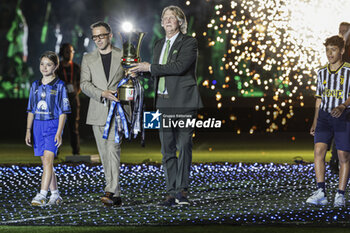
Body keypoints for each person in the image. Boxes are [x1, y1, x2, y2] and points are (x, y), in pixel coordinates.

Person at [130, 5, 203, 206]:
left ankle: (183, 191)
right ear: (161, 23)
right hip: (162, 102)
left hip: (184, 101)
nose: (168, 20)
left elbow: (179, 68)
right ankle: (171, 192)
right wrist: (141, 71)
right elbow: (159, 71)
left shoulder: (189, 42)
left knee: (184, 145)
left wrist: (150, 67)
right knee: (167, 150)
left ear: (180, 22)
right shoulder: (158, 44)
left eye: (173, 17)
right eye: (165, 17)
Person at [80, 21, 125, 206]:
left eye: (102, 36)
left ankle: (111, 190)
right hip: (98, 109)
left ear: (110, 35)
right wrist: (102, 93)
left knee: (113, 148)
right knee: (104, 152)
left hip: (118, 110)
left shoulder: (122, 56)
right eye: (95, 37)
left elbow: (131, 80)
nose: (98, 40)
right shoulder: (88, 58)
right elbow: (84, 84)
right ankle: (115, 192)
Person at [307, 35, 350, 207]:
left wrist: (342, 106)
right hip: (324, 117)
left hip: (343, 116)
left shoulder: (348, 71)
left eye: (333, 50)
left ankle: (340, 194)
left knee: (343, 155)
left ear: (342, 51)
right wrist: (315, 121)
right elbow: (319, 99)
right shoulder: (321, 72)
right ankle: (321, 192)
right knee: (318, 151)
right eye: (327, 50)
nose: (329, 53)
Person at [25, 51, 71, 206]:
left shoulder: (60, 86)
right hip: (37, 126)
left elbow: (63, 112)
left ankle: (42, 195)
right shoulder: (35, 85)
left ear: (56, 66)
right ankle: (55, 195)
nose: (44, 67)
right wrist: (28, 130)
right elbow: (31, 109)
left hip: (52, 126)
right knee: (45, 162)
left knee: (48, 161)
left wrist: (59, 132)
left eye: (49, 64)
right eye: (42, 64)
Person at [329, 22, 350, 173]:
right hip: (340, 95)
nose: (342, 33)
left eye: (345, 31)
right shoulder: (338, 50)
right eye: (340, 31)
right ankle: (335, 160)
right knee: (339, 128)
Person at [57, 43, 81, 155]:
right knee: (57, 128)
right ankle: (55, 152)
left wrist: (75, 93)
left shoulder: (76, 67)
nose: (70, 54)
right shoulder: (57, 68)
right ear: (62, 53)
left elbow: (81, 83)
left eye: (72, 51)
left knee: (74, 128)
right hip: (59, 102)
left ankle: (76, 153)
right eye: (67, 51)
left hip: (73, 101)